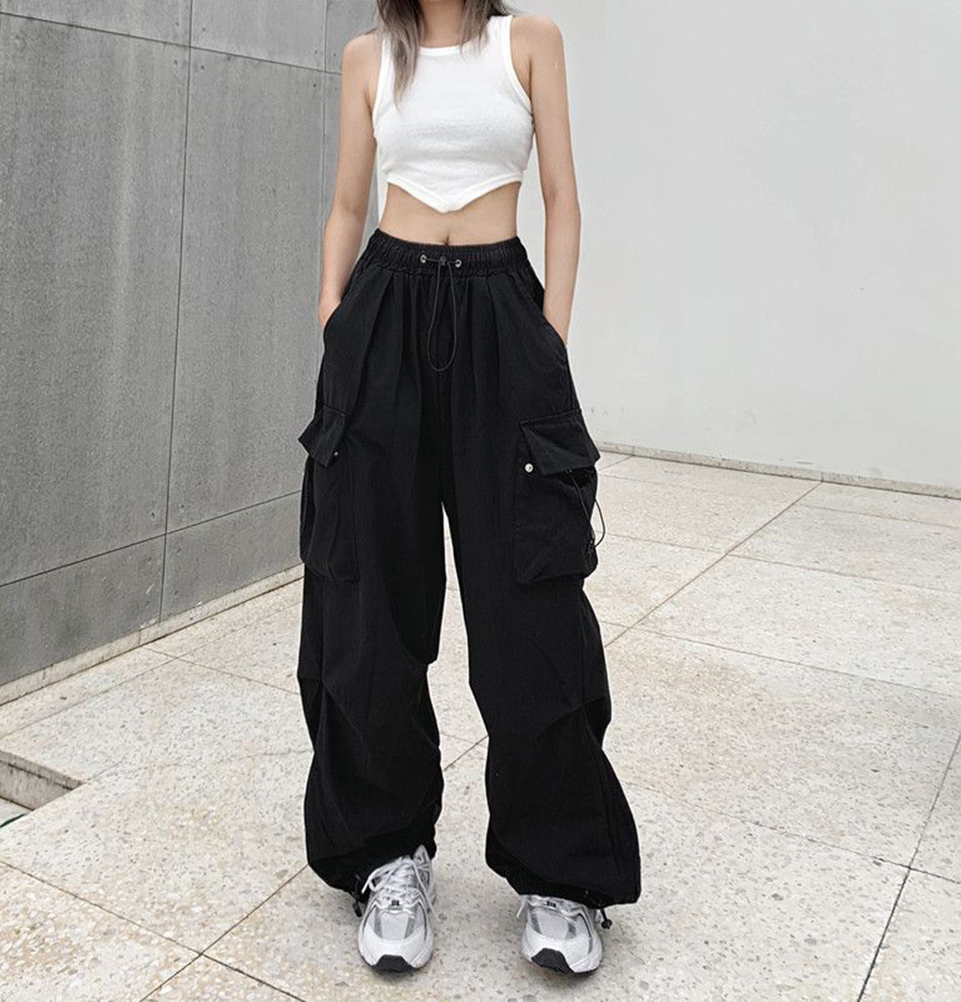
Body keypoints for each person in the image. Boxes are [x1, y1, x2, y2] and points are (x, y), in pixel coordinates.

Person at [296, 0, 640, 976]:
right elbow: (347, 204)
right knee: (367, 608)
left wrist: (548, 340)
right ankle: (387, 858)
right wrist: (335, 317)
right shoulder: (369, 56)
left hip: (501, 314)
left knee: (530, 610)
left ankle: (561, 876)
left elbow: (563, 196)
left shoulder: (527, 44)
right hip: (382, 319)